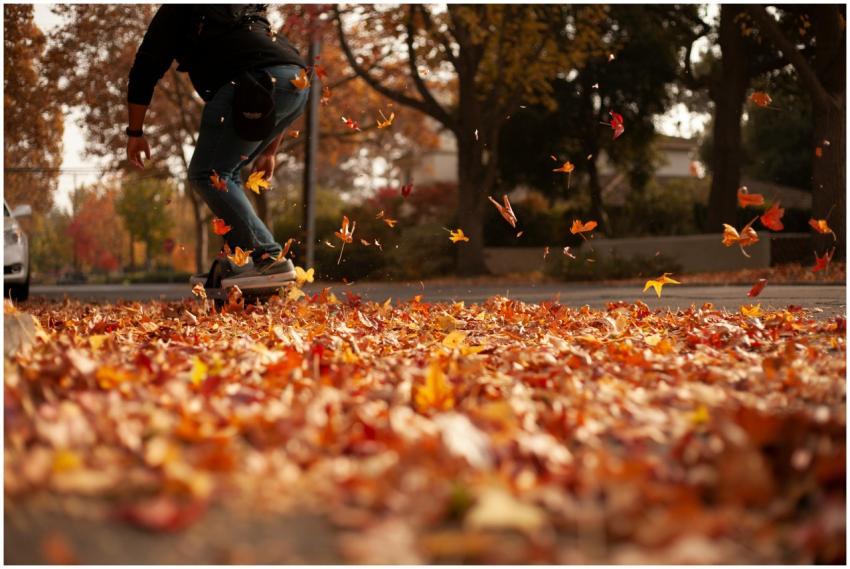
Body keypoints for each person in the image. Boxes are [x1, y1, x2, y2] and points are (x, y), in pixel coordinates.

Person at [125, 4, 308, 290]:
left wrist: (135, 131)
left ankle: (268, 258)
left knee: (208, 173)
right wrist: (270, 151)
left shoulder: (177, 10)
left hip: (250, 84)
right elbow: (273, 68)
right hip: (297, 81)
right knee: (225, 175)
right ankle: (240, 264)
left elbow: (146, 67)